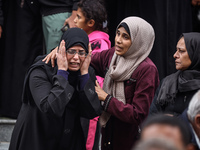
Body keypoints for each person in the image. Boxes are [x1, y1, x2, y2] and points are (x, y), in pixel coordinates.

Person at [43, 16, 160, 150]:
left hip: (132, 140)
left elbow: (138, 114)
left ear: (140, 41)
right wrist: (60, 51)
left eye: (126, 37)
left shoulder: (147, 70)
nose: (118, 40)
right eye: (118, 34)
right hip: (109, 134)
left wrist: (106, 98)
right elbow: (84, 57)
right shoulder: (113, 56)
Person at [9, 27, 101, 150]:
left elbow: (92, 111)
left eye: (81, 52)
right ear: (62, 50)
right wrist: (62, 72)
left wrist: (84, 76)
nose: (76, 58)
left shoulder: (85, 71)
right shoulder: (40, 71)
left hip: (68, 140)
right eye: (71, 51)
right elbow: (50, 108)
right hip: (37, 137)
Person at [44, 1, 111, 149]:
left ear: (91, 22)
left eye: (79, 17)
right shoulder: (84, 39)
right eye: (71, 51)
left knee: (88, 139)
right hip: (80, 96)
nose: (74, 20)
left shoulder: (99, 42)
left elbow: (94, 71)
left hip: (90, 96)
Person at [149, 32, 200, 117]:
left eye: (181, 51)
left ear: (196, 53)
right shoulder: (168, 83)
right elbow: (153, 117)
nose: (175, 55)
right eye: (176, 50)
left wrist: (174, 120)